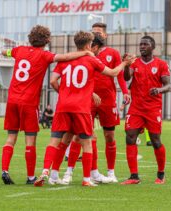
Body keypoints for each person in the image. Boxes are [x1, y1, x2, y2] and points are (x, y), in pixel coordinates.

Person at [34, 31, 134, 187]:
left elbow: (53, 81)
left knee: (58, 140)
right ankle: (87, 179)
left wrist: (66, 93)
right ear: (88, 45)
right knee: (87, 142)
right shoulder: (91, 59)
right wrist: (124, 64)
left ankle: (50, 173)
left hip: (63, 106)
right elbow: (113, 72)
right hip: (81, 107)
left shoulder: (65, 59)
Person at [1, 25, 93, 185]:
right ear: (47, 40)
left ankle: (5, 170)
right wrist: (84, 52)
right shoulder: (44, 55)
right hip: (29, 102)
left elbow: (4, 52)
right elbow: (64, 57)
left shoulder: (19, 50)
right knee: (30, 140)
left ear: (31, 38)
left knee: (10, 137)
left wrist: (7, 52)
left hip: (12, 100)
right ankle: (30, 177)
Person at [62, 23, 130, 184]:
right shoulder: (84, 55)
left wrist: (125, 91)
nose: (95, 34)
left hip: (108, 100)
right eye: (93, 32)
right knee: (81, 136)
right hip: (87, 100)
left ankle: (111, 172)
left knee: (109, 136)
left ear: (104, 36)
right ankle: (70, 172)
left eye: (98, 32)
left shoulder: (113, 53)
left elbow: (118, 74)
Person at [121, 36, 170, 185]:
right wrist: (125, 65)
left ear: (152, 47)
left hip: (153, 108)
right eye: (140, 44)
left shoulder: (161, 64)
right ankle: (134, 176)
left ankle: (161, 174)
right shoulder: (134, 63)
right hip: (136, 108)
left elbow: (167, 85)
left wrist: (159, 89)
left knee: (156, 141)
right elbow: (126, 77)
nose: (142, 46)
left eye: (145, 44)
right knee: (130, 137)